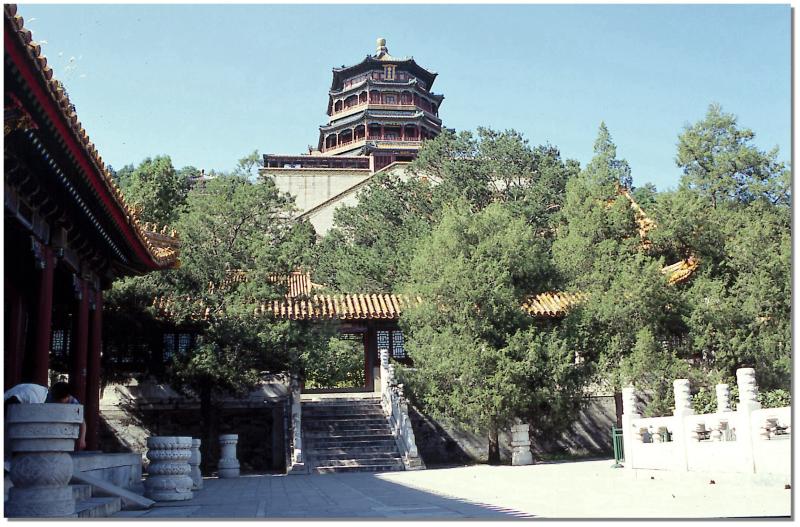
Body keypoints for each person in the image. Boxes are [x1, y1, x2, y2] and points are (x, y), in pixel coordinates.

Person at [4, 382, 87, 451]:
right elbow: (12, 402)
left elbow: (81, 420)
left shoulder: (70, 400)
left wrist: (82, 439)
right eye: (60, 402)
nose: (63, 403)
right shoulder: (34, 397)